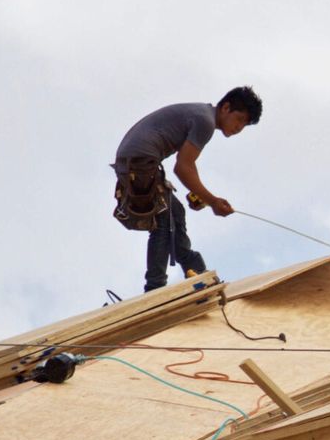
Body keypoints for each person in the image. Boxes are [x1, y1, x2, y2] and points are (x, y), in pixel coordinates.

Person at [111, 86, 263, 292]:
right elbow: (183, 167)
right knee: (164, 221)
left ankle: (194, 269)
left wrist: (204, 197)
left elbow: (184, 167)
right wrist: (213, 201)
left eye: (244, 125)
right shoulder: (206, 121)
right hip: (141, 162)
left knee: (176, 212)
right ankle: (155, 288)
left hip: (135, 162)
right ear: (226, 108)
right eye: (240, 119)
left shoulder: (201, 114)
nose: (239, 127)